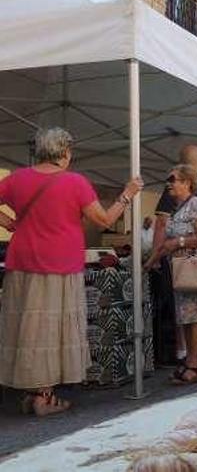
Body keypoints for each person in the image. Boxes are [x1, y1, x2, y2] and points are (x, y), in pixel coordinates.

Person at [0, 127, 142, 416]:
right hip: (59, 262)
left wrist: (7, 223)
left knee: (28, 327)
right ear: (65, 153)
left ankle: (33, 392)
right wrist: (126, 195)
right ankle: (44, 397)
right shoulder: (74, 182)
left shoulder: (17, 178)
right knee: (51, 329)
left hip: (22, 260)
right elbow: (104, 220)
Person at [145, 164, 197, 385]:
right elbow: (164, 244)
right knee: (188, 317)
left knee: (196, 318)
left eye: (173, 179)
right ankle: (190, 361)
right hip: (182, 270)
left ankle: (194, 365)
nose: (169, 183)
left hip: (196, 270)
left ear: (187, 182)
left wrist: (177, 242)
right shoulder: (179, 209)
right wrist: (150, 262)